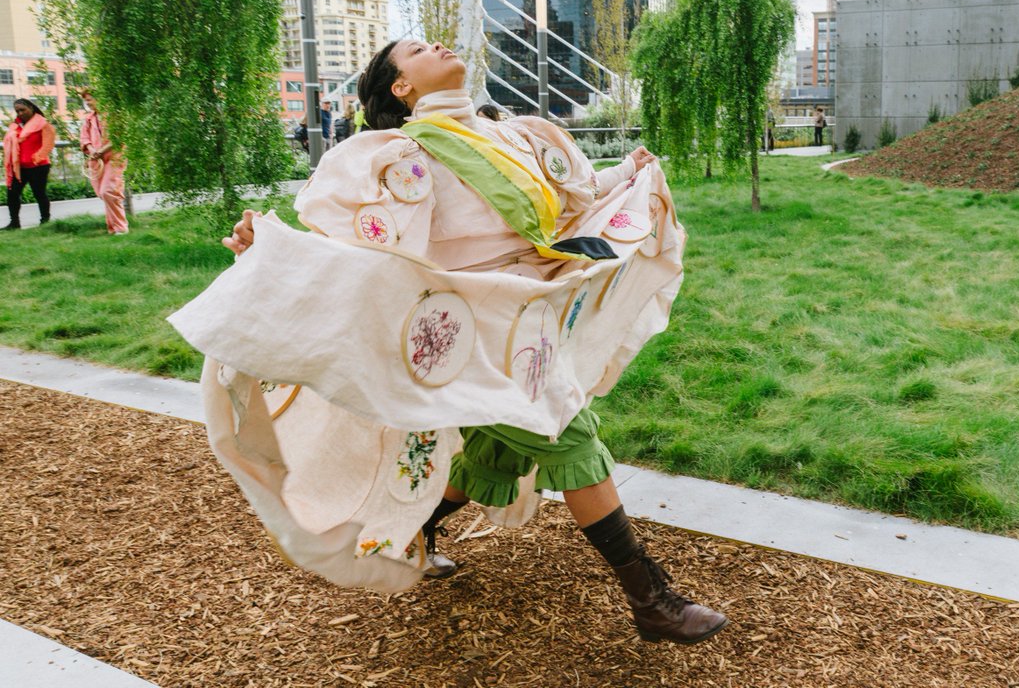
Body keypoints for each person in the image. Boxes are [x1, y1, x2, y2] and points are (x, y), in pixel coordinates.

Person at [195, 39, 727, 645]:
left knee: (497, 453)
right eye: (418, 48)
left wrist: (626, 175)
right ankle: (651, 601)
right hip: (465, 332)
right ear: (402, 87)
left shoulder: (514, 135)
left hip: (529, 315)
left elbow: (560, 209)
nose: (438, 43)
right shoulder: (394, 155)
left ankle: (412, 537)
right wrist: (271, 250)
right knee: (565, 430)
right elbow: (356, 245)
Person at [79, 89, 128, 235]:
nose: (88, 102)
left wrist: (101, 150)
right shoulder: (89, 119)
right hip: (97, 160)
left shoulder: (114, 115)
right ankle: (112, 228)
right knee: (102, 193)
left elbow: (119, 137)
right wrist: (91, 149)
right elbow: (84, 138)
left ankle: (121, 227)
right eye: (86, 100)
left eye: (91, 99)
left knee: (109, 191)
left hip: (114, 158)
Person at [3, 98, 56, 229]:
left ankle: (45, 221)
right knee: (12, 194)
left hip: (38, 166)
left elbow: (48, 144)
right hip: (19, 167)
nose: (20, 113)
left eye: (23, 110)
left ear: (31, 108)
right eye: (17, 111)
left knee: (39, 193)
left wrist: (37, 157)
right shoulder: (15, 126)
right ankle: (14, 223)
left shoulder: (43, 124)